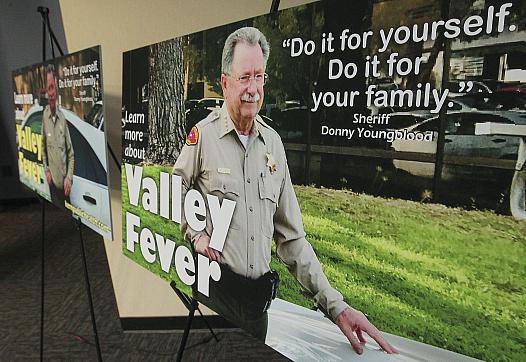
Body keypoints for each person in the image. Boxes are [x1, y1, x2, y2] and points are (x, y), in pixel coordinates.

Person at [172, 27, 396, 354]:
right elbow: (174, 189)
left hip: (255, 310)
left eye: (259, 77)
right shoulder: (203, 137)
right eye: (244, 77)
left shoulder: (273, 145)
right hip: (213, 299)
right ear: (224, 83)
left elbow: (291, 239)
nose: (252, 88)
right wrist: (196, 233)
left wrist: (337, 307)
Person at [41, 64, 74, 207]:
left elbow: (71, 154)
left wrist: (69, 178)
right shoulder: (44, 116)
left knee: (69, 218)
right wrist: (46, 170)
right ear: (46, 92)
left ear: (56, 90)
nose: (51, 93)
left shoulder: (63, 119)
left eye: (53, 87)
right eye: (48, 88)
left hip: (66, 190)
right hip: (53, 187)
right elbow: (43, 148)